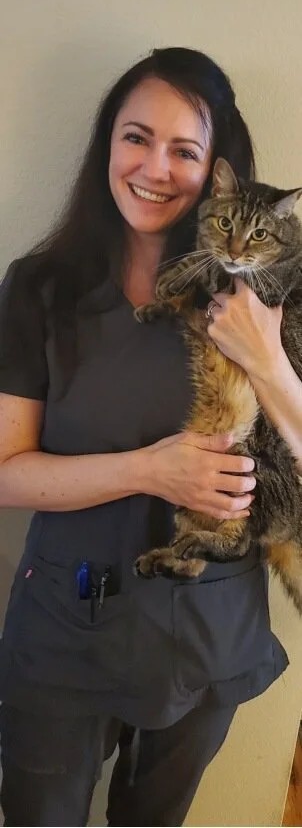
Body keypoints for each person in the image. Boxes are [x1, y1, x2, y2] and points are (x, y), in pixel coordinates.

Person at [1, 44, 297, 828]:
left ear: (218, 171)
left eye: (185, 150)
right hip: (65, 630)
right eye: (136, 137)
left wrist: (269, 358)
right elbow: (4, 472)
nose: (155, 168)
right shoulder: (39, 288)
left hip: (209, 628)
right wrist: (150, 470)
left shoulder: (267, 291)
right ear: (108, 144)